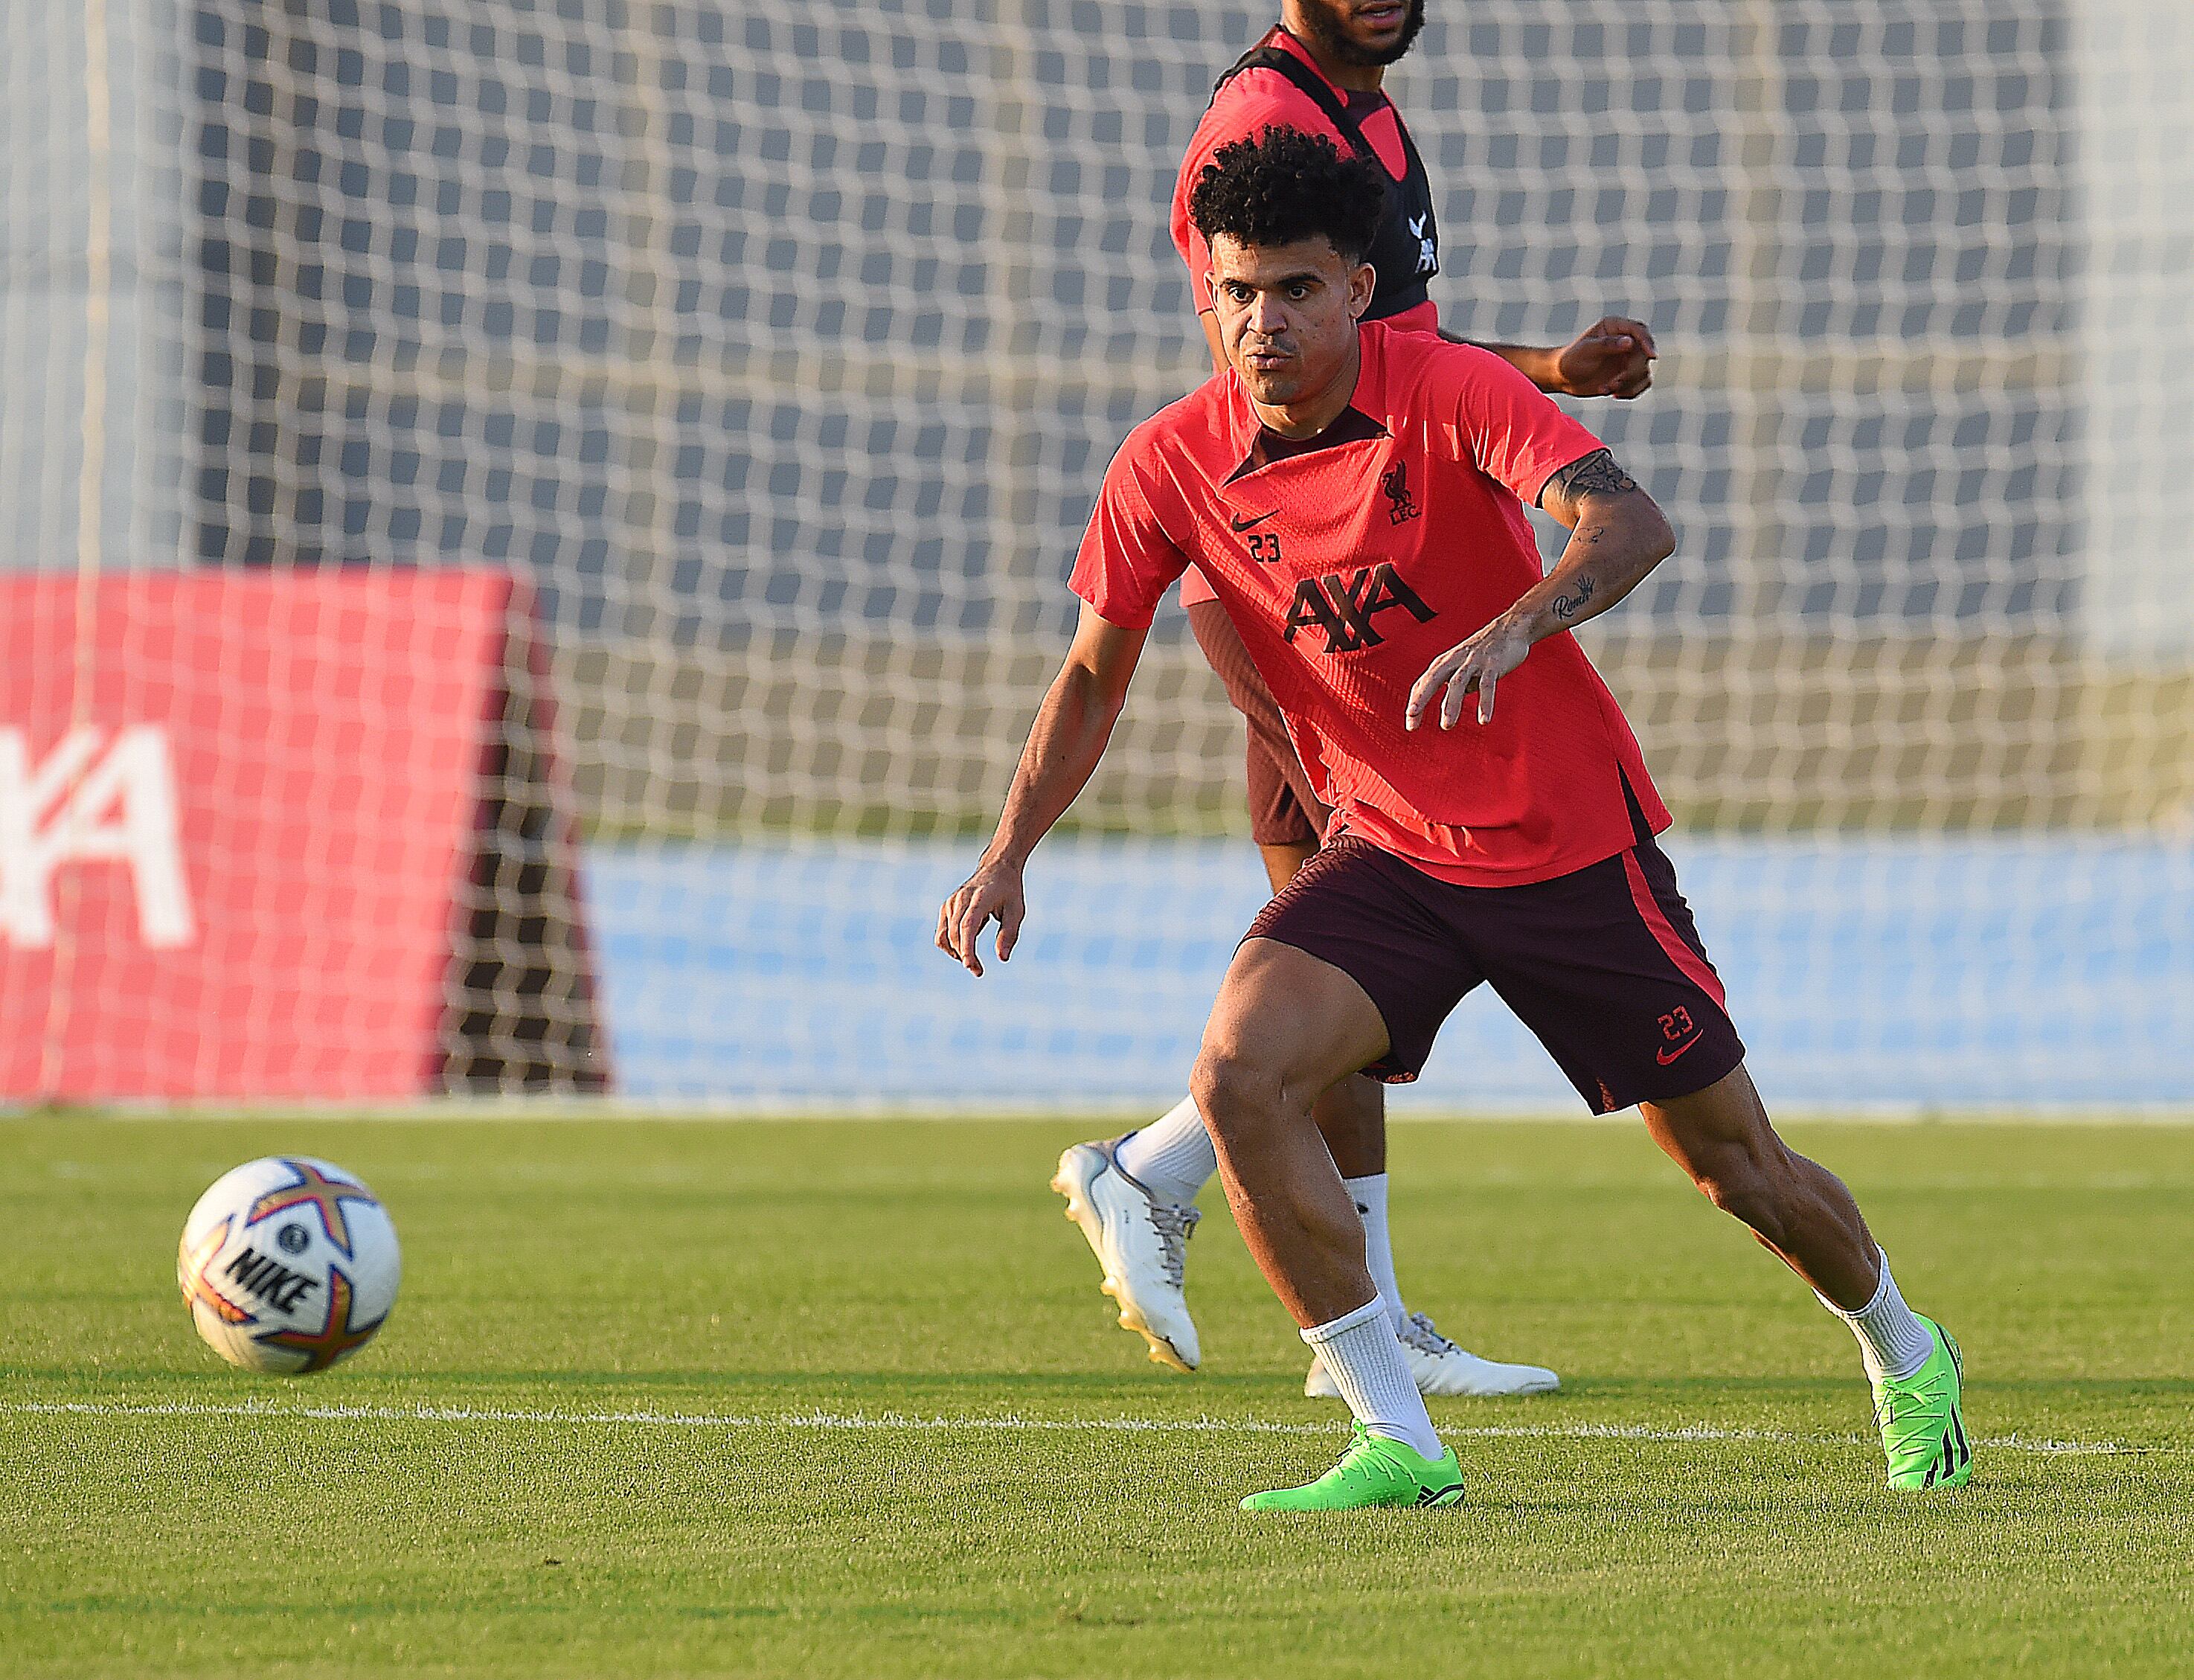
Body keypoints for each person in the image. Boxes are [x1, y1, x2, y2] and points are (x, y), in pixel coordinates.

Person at [943, 128, 1972, 1510]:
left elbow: (1628, 525)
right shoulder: (1168, 462)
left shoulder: (1452, 390)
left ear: (1359, 289)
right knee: (1245, 1072)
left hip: (1568, 846)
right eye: (1239, 292)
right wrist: (1009, 850)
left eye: (1296, 289)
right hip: (1390, 852)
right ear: (1209, 300)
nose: (1264, 320)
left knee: (1737, 1170)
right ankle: (1396, 1440)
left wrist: (1522, 618)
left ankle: (1906, 1353)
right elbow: (1089, 672)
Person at [1055, 0, 1656, 1399]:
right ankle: (1155, 1176)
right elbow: (1281, 376)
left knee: (1362, 949)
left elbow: (1387, 348)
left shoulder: (1364, 109)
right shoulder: (1266, 122)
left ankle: (1348, 1311)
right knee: (1374, 916)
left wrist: (1550, 377)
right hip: (1302, 588)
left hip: (1377, 581)